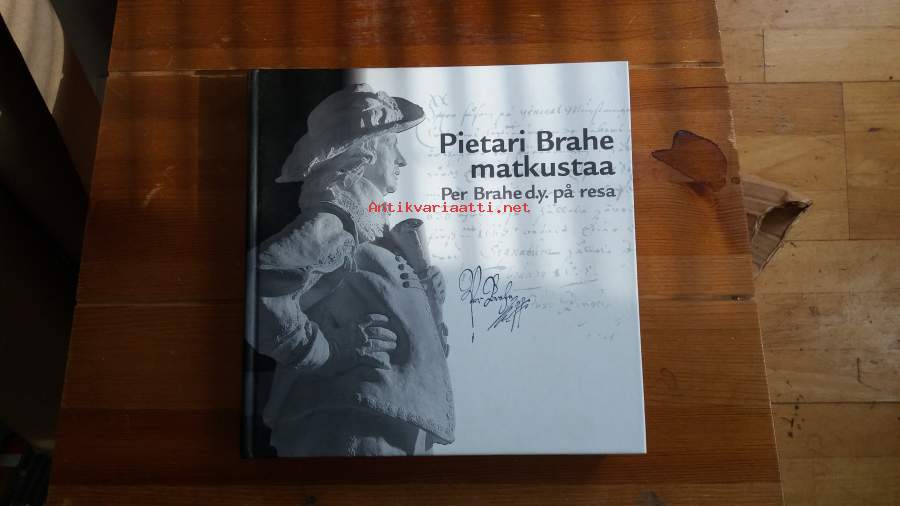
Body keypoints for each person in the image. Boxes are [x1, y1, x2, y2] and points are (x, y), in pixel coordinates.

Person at [253, 84, 453, 456]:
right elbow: (260, 287)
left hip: (388, 427)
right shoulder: (336, 223)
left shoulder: (371, 234)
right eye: (392, 144)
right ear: (365, 151)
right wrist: (330, 351)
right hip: (352, 427)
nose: (401, 161)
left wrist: (428, 295)